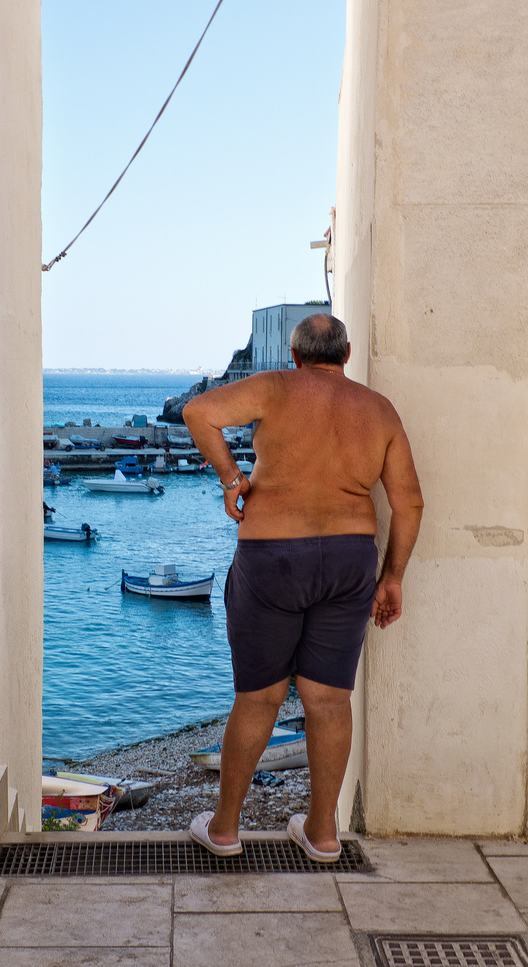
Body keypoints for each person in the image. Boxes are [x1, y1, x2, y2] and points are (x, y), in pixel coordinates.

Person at [182, 313, 423, 861]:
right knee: (329, 700)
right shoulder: (378, 409)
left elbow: (199, 412)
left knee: (260, 695)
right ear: (347, 353)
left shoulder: (274, 387)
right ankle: (321, 834)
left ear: (293, 356)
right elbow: (409, 502)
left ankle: (223, 830)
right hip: (349, 559)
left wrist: (231, 477)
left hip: (273, 556)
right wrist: (393, 578)